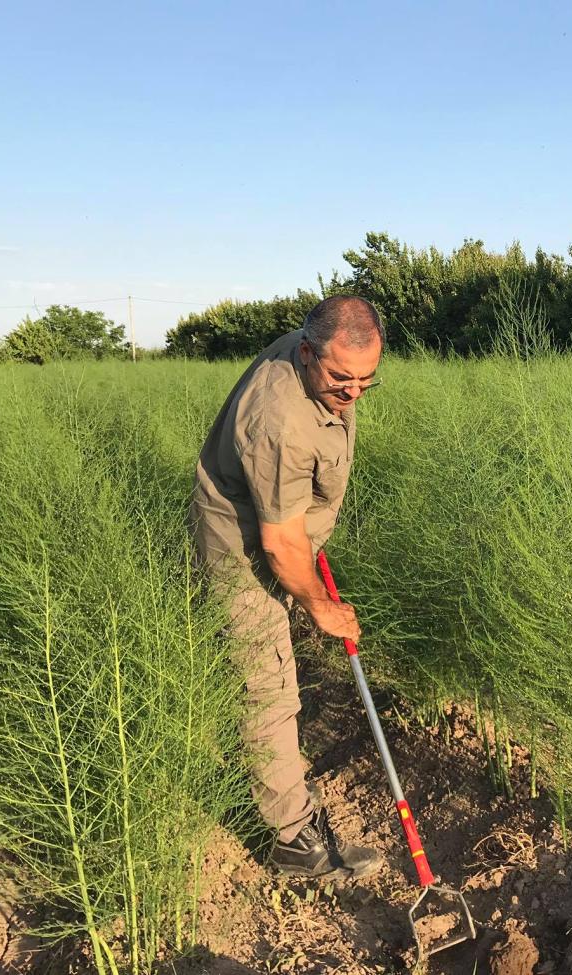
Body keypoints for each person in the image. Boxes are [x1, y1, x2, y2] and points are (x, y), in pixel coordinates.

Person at [190, 294, 385, 881]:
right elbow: (278, 545)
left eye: (367, 381)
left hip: (286, 532)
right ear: (306, 353)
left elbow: (295, 518)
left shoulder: (316, 363)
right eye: (342, 380)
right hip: (245, 553)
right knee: (268, 686)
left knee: (265, 674)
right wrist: (321, 606)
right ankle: (293, 841)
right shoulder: (278, 423)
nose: (353, 393)